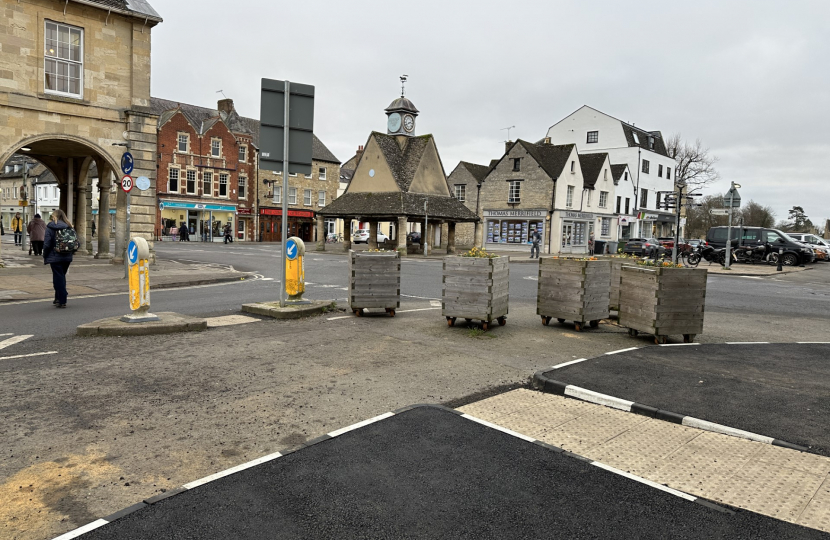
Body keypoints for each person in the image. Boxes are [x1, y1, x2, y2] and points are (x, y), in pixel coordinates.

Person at [42, 209, 75, 308]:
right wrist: (70, 252)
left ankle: (62, 299)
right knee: (61, 277)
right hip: (67, 256)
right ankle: (57, 298)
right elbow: (76, 242)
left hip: (55, 256)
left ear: (54, 216)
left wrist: (45, 254)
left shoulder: (50, 227)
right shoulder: (69, 226)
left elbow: (47, 244)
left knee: (58, 277)